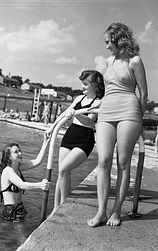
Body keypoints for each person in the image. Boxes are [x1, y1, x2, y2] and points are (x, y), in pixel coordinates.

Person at [87, 23, 148, 227]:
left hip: (129, 110)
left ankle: (116, 211)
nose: (106, 47)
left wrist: (139, 119)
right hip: (106, 110)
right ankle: (101, 211)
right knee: (103, 160)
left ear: (118, 39)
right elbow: (102, 88)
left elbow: (143, 93)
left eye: (108, 42)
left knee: (123, 162)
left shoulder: (135, 61)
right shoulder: (107, 61)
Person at [46, 70, 105, 215]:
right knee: (61, 172)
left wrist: (77, 114)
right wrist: (52, 128)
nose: (82, 87)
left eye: (85, 84)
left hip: (85, 139)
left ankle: (63, 206)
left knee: (64, 169)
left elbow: (89, 120)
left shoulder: (98, 103)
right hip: (70, 135)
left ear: (95, 86)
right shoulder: (78, 98)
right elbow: (64, 113)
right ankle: (55, 208)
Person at [0, 133, 51, 222]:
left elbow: (37, 161)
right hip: (11, 211)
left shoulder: (19, 167)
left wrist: (45, 142)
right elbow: (21, 185)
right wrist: (40, 185)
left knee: (21, 233)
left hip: (20, 208)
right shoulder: (7, 170)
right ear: (9, 157)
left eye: (19, 151)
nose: (20, 153)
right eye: (16, 152)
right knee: (19, 235)